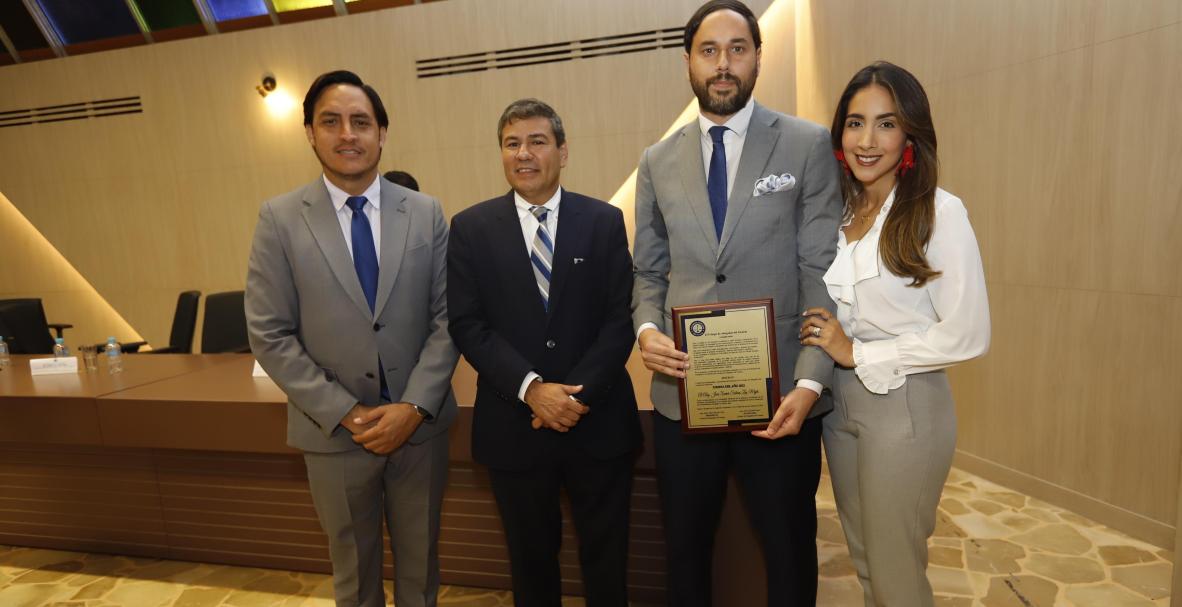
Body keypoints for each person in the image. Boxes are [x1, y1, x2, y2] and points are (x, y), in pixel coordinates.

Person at [630, 0, 843, 604]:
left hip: (782, 403)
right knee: (686, 556)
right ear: (688, 61)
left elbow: (819, 272)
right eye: (709, 50)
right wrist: (646, 331)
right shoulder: (656, 161)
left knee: (789, 553)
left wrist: (809, 385)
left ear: (756, 57)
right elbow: (648, 271)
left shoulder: (805, 146)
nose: (723, 65)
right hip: (685, 401)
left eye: (737, 49)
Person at [245, 70, 458, 607]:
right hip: (335, 434)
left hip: (419, 431)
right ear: (310, 134)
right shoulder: (279, 219)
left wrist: (413, 405)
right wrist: (343, 410)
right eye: (331, 122)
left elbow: (449, 319)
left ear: (382, 133)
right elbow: (269, 334)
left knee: (420, 573)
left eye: (361, 122)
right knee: (354, 579)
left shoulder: (427, 213)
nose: (348, 134)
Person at [800, 61, 990, 607]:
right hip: (840, 406)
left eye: (885, 124)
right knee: (863, 559)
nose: (867, 140)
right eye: (855, 123)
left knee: (895, 570)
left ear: (910, 133)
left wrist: (858, 350)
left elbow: (969, 333)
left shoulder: (937, 211)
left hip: (907, 407)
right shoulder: (836, 211)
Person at [447, 98, 641, 607]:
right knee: (530, 566)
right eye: (512, 144)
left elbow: (619, 319)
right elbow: (468, 325)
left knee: (606, 561)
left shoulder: (603, 221)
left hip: (596, 422)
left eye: (536, 141)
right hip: (516, 427)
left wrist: (573, 397)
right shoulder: (470, 229)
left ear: (562, 150)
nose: (524, 154)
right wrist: (533, 390)